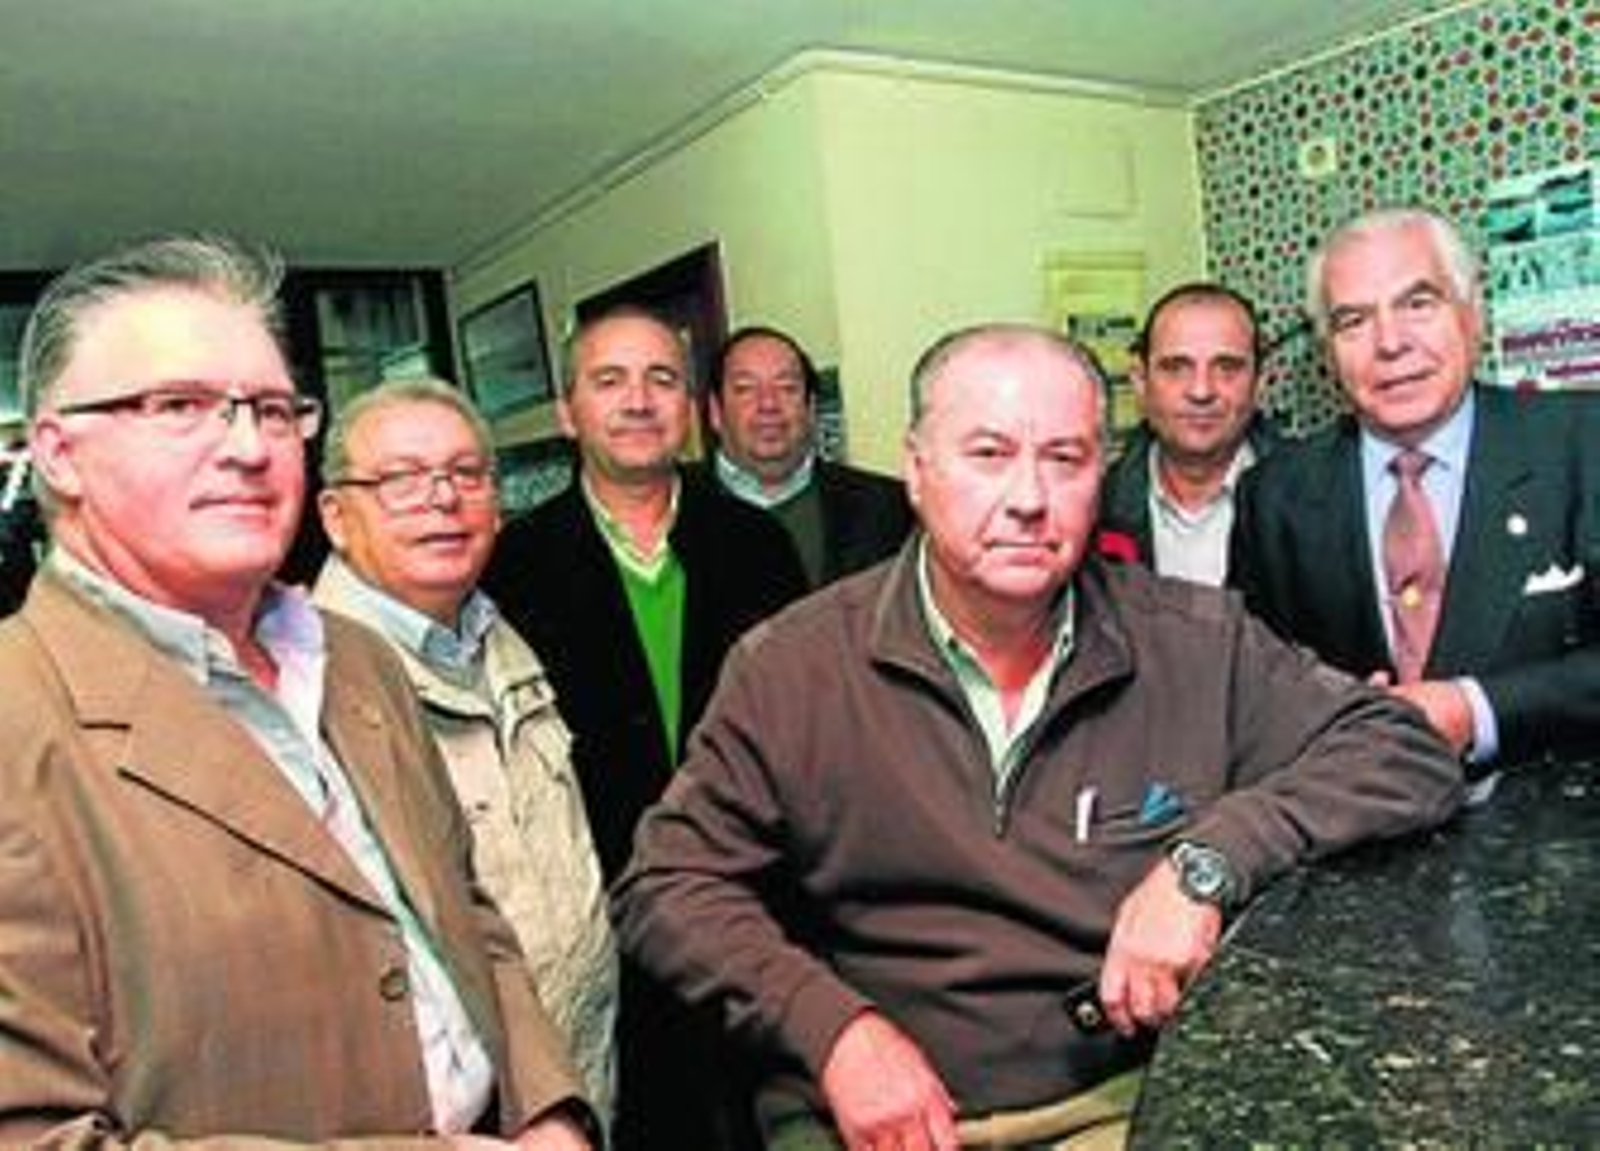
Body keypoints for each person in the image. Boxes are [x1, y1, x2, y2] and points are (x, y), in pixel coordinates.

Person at [614, 322, 1463, 1150]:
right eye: (988, 454)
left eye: (1065, 458)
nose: (1028, 498)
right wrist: (833, 1030)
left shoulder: (1195, 640)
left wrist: (1204, 864)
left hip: (1115, 1098)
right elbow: (666, 883)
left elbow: (1404, 749)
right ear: (916, 469)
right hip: (870, 1107)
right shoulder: (793, 665)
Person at [0, 236, 593, 1146]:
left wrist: (551, 1111)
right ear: (60, 454)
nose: (248, 446)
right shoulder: (19, 713)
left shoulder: (355, 658)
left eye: (274, 410)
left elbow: (465, 912)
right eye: (180, 405)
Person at [482, 304, 806, 1151]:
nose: (637, 401)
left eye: (661, 379)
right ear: (568, 411)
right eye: (609, 380)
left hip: (751, 898)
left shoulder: (756, 544)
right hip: (600, 919)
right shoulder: (513, 566)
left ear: (693, 407)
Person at [314, 378, 618, 1130]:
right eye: (401, 479)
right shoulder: (312, 688)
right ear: (335, 514)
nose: (442, 498)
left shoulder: (506, 637)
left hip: (577, 1086)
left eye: (466, 474)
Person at [1230, 207, 1600, 775]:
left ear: (1473, 312)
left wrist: (1474, 710)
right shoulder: (1274, 496)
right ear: (1328, 351)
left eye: (1418, 304)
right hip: (1358, 842)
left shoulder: (1584, 443)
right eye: (1353, 320)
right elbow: (1250, 687)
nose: (1390, 343)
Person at [1097, 283, 1277, 584]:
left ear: (1261, 382)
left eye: (1227, 368)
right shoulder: (1094, 507)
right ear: (1140, 382)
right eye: (1176, 368)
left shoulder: (1319, 501)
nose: (1201, 391)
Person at [708, 325, 912, 587]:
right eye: (745, 388)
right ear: (715, 412)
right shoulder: (669, 509)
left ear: (811, 408)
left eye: (787, 387)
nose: (768, 404)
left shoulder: (891, 507)